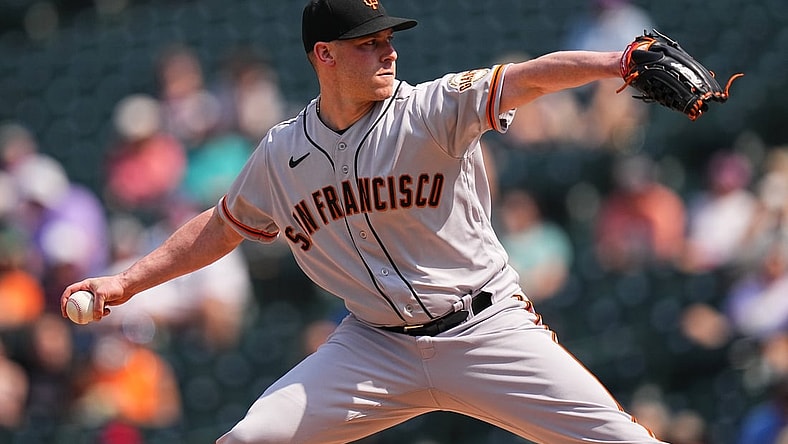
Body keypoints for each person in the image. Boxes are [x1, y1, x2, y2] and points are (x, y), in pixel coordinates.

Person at [62, 1, 667, 442]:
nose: (389, 49)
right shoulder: (282, 151)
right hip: (374, 347)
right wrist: (125, 283)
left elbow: (526, 77)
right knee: (247, 442)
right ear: (324, 55)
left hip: (485, 330)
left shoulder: (429, 109)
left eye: (387, 38)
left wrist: (614, 62)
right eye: (368, 42)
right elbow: (219, 228)